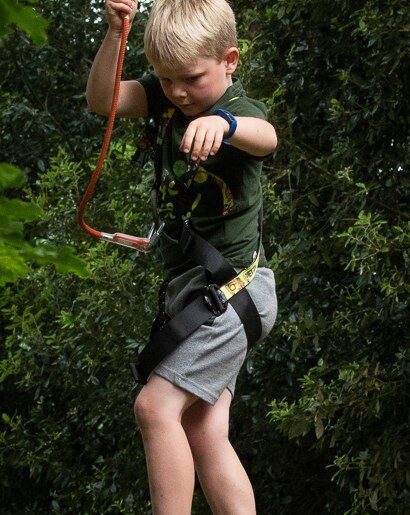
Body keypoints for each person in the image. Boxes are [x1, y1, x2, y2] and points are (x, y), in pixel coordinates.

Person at [86, 0, 278, 512]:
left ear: (230, 60)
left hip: (233, 292)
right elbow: (104, 100)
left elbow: (267, 138)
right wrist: (113, 33)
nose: (177, 92)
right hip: (200, 296)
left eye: (191, 78)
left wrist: (228, 126)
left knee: (154, 408)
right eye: (165, 79)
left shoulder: (237, 109)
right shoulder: (166, 98)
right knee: (203, 429)